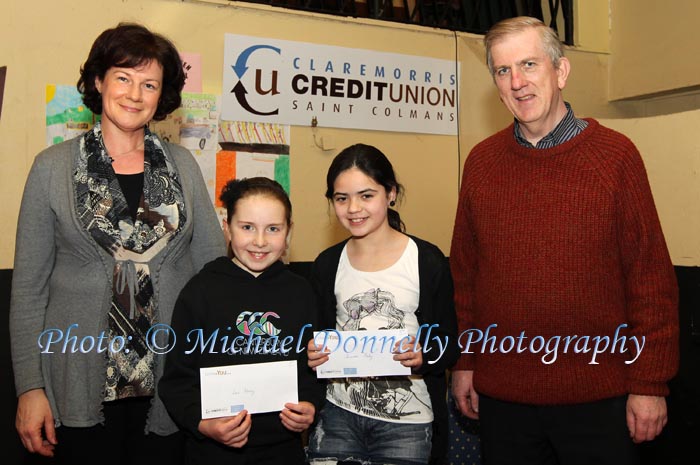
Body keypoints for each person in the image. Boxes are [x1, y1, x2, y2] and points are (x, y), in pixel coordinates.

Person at [449, 16, 679, 465]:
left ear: (561, 71)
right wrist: (465, 361)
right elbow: (465, 276)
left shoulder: (615, 158)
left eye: (530, 64)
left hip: (600, 400)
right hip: (504, 401)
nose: (517, 82)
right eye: (502, 70)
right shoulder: (480, 163)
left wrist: (650, 383)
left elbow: (650, 279)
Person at [9, 23, 224, 464]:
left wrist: (221, 375)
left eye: (149, 84)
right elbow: (29, 291)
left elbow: (213, 273)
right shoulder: (51, 168)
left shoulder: (182, 164)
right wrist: (30, 387)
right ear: (97, 81)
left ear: (161, 96)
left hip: (171, 383)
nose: (135, 94)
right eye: (123, 77)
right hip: (76, 379)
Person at [306, 144, 459, 465]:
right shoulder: (326, 264)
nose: (353, 208)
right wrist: (312, 353)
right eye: (341, 198)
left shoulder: (426, 260)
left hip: (407, 422)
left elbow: (448, 341)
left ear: (390, 194)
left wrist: (424, 356)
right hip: (338, 415)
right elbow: (317, 335)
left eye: (366, 195)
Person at [158, 177, 323, 464]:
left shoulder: (302, 292)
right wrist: (202, 423)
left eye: (273, 229)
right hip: (212, 453)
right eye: (247, 227)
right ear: (227, 228)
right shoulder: (200, 291)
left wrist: (310, 405)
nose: (260, 241)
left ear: (289, 232)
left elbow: (312, 370)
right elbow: (176, 382)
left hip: (283, 451)